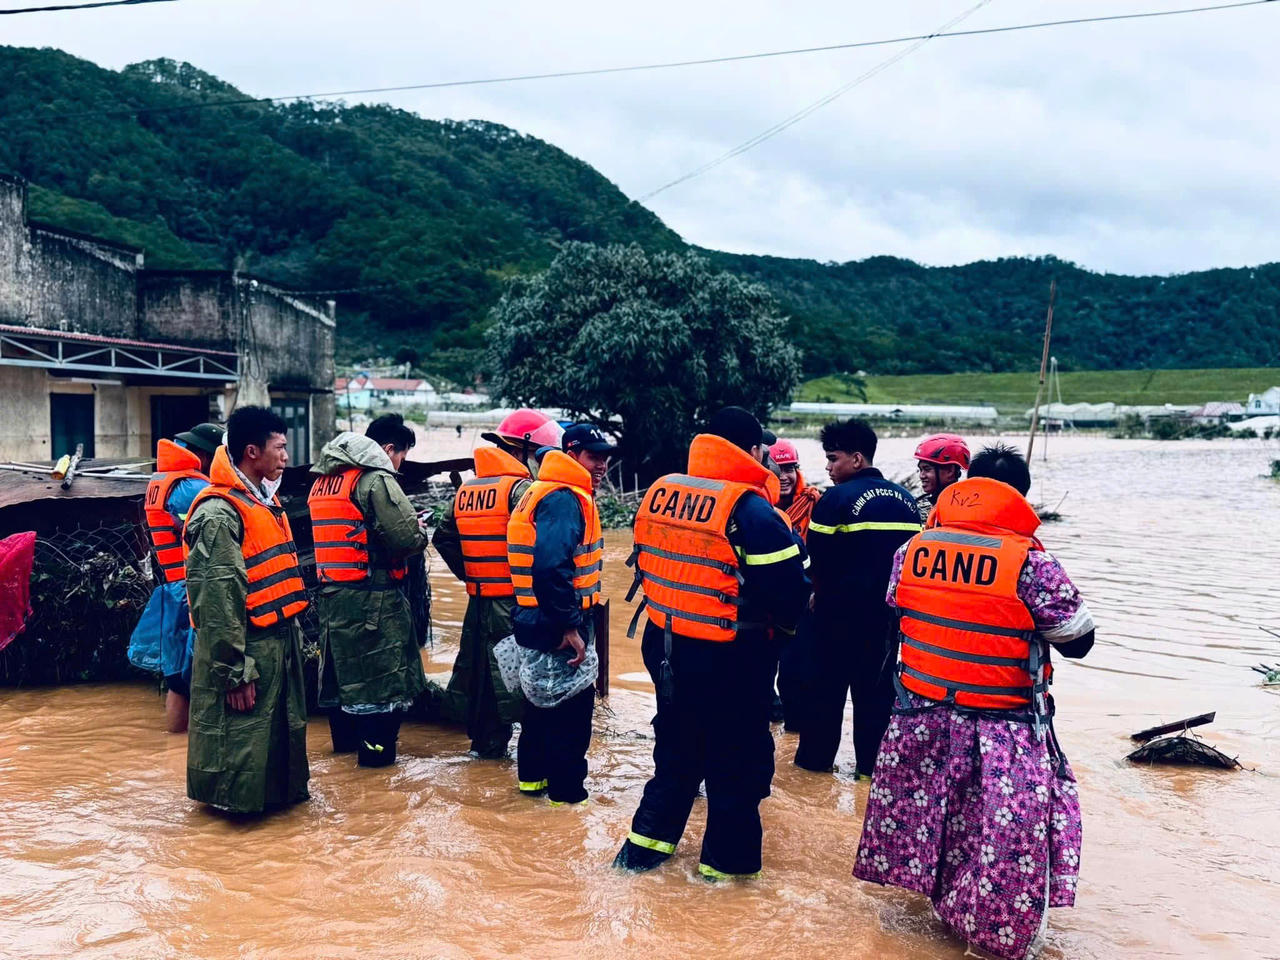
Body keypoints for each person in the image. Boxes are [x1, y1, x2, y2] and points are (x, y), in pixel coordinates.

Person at [853, 443, 1094, 960]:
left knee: (940, 819)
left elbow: (900, 605)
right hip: (1003, 725)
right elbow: (1078, 639)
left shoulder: (913, 550)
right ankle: (992, 937)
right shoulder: (1031, 564)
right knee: (1004, 837)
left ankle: (940, 916)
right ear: (1020, 498)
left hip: (921, 715)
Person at [614, 407, 809, 880]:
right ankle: (725, 878)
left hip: (666, 648)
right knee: (737, 767)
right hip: (731, 657)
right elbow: (790, 597)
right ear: (754, 451)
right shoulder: (751, 509)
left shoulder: (661, 493)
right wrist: (780, 640)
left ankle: (638, 862)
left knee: (676, 758)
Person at [182, 406, 310, 814]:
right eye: (280, 448)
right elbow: (217, 600)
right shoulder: (219, 513)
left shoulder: (261, 501)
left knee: (274, 741)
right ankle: (232, 830)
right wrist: (234, 671)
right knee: (238, 744)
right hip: (246, 647)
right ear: (252, 452)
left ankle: (273, 813)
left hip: (276, 641)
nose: (286, 456)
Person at [795, 418, 921, 778]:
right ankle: (870, 775)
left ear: (856, 458)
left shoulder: (835, 499)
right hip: (886, 624)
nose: (828, 467)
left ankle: (813, 775)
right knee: (876, 704)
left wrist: (817, 596)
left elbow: (814, 561)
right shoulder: (908, 502)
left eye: (833, 459)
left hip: (836, 622)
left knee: (824, 701)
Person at [433, 409, 562, 757]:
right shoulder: (522, 490)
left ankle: (484, 753)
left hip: (478, 603)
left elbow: (442, 537)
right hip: (514, 604)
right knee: (521, 681)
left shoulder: (468, 490)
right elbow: (547, 549)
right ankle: (528, 766)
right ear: (522, 451)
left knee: (480, 679)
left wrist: (472, 572)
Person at [308, 413, 429, 767]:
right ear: (388, 449)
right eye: (401, 457)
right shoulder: (375, 479)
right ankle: (376, 777)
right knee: (381, 685)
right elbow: (406, 538)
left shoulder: (323, 481)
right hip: (373, 601)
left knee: (341, 678)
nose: (398, 465)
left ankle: (346, 760)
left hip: (332, 599)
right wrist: (419, 530)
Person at [506, 423, 609, 804]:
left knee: (538, 710)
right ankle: (567, 802)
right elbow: (551, 567)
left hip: (533, 617)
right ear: (571, 454)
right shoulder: (565, 497)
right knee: (570, 719)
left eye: (604, 458)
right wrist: (569, 626)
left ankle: (532, 788)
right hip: (557, 622)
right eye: (592, 456)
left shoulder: (539, 490)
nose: (600, 465)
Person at [129, 422, 223, 733]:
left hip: (174, 587)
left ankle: (174, 748)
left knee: (178, 677)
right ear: (206, 456)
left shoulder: (164, 480)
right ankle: (185, 746)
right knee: (191, 676)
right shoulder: (189, 488)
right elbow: (210, 533)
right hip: (190, 591)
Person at [770, 438, 821, 541]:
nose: (783, 477)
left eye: (789, 470)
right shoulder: (756, 506)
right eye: (777, 471)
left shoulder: (811, 502)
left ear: (797, 472)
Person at [914, 432, 970, 522]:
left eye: (927, 469)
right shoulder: (923, 503)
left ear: (950, 471)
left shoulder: (964, 508)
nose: (921, 476)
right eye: (920, 470)